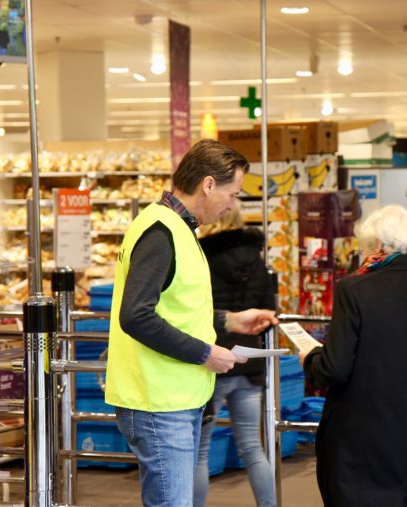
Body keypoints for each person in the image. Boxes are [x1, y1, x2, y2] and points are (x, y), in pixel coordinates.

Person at [105, 139, 279, 507]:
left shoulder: (177, 229)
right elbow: (136, 315)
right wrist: (204, 353)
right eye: (232, 193)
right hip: (158, 401)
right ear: (209, 184)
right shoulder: (161, 232)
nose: (232, 205)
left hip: (174, 397)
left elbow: (174, 308)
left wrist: (230, 320)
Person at [300, 204, 407, 506]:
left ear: (379, 245)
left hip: (360, 441)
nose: (362, 252)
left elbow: (334, 368)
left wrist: (311, 358)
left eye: (365, 246)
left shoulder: (354, 290)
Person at [193, 206, 277, 507]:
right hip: (249, 361)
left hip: (212, 361)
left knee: (199, 451)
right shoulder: (256, 259)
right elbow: (268, 309)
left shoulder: (201, 257)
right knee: (252, 447)